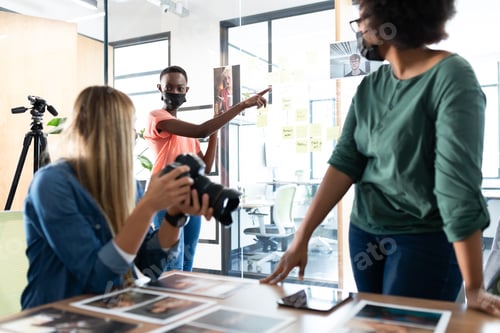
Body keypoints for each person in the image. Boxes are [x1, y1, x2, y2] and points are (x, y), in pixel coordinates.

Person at [261, 0, 500, 316]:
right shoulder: (371, 85)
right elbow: (345, 161)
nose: (358, 30)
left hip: (423, 239)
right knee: (372, 324)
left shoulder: (452, 77)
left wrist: (474, 287)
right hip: (365, 234)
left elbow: (456, 187)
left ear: (389, 20)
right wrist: (301, 238)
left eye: (360, 20)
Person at [21, 86, 214, 309]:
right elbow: (99, 280)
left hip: (111, 313)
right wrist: (149, 205)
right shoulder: (52, 183)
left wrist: (175, 214)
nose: (135, 134)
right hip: (55, 317)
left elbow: (149, 265)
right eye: (130, 126)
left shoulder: (128, 185)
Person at [144, 65, 270, 272]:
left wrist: (215, 130)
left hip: (190, 196)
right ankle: (168, 303)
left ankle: (185, 304)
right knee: (171, 264)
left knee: (186, 263)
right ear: (160, 88)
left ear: (186, 91)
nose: (174, 92)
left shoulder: (184, 130)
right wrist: (241, 106)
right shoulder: (156, 117)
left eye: (180, 88)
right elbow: (201, 130)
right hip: (164, 198)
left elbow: (207, 166)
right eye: (169, 87)